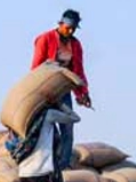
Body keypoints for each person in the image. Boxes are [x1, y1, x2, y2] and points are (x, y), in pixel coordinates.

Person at [31, 9, 91, 168]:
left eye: (73, 29)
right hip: (45, 90)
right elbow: (36, 68)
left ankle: (63, 166)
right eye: (68, 27)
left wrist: (83, 93)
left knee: (68, 127)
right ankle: (45, 163)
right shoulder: (46, 39)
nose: (70, 31)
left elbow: (78, 71)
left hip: (63, 91)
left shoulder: (75, 45)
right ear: (61, 23)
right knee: (46, 127)